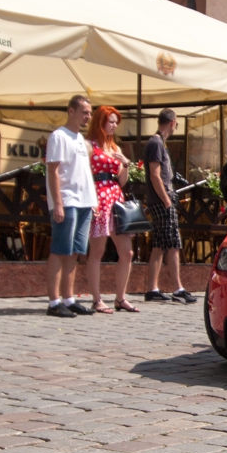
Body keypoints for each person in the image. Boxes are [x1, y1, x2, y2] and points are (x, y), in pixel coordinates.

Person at [45, 95, 98, 318]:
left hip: (84, 201)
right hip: (67, 201)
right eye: (85, 112)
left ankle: (69, 298)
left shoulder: (80, 139)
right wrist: (58, 203)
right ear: (71, 111)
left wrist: (93, 200)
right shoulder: (59, 136)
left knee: (76, 251)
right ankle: (54, 301)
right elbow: (53, 170)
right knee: (60, 249)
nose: (88, 117)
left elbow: (84, 173)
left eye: (90, 112)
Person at [85, 106, 139, 314]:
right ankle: (97, 299)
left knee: (127, 252)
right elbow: (85, 173)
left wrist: (125, 164)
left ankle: (120, 297)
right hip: (98, 196)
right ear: (101, 122)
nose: (115, 125)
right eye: (111, 121)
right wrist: (91, 200)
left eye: (116, 122)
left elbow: (122, 181)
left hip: (115, 197)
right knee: (97, 250)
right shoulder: (90, 145)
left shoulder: (115, 147)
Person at [143, 108, 197, 304]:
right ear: (173, 122)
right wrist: (166, 199)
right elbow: (155, 174)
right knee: (174, 243)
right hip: (161, 200)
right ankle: (177, 288)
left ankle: (152, 288)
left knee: (159, 244)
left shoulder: (157, 143)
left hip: (159, 199)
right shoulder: (156, 143)